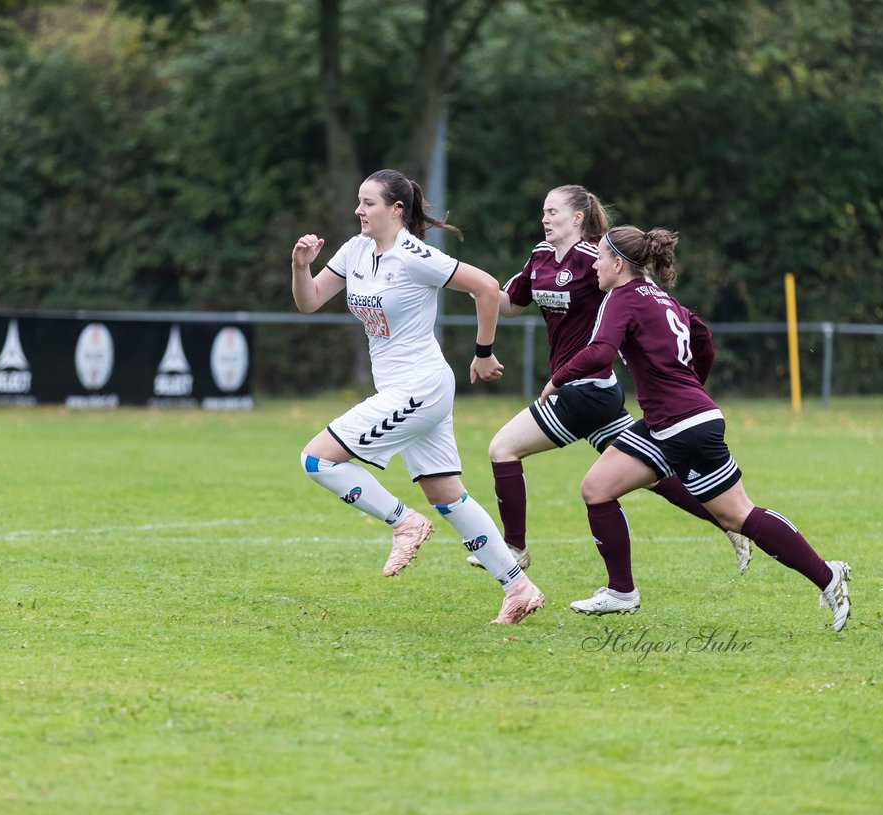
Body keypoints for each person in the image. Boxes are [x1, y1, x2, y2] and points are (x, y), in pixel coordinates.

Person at [548, 224, 851, 630]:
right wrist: (692, 388)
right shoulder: (661, 297)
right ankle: (621, 592)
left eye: (600, 257)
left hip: (680, 423)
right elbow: (703, 337)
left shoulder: (620, 298)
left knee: (739, 515)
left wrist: (557, 379)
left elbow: (601, 352)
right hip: (680, 419)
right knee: (597, 489)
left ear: (619, 264)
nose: (595, 266)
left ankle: (828, 577)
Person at [292, 168, 545, 625]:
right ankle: (519, 588)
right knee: (447, 494)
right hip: (403, 388)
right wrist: (300, 266)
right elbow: (309, 301)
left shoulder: (415, 256)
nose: (358, 210)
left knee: (318, 460)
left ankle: (403, 522)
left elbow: (487, 287)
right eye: (358, 201)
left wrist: (484, 353)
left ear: (396, 210)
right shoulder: (354, 251)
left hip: (420, 387)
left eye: (368, 203)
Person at [467, 185, 751, 575]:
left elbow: (638, 290)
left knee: (503, 448)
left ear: (578, 218)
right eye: (543, 212)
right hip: (596, 392)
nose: (545, 219)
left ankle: (514, 548)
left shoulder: (595, 258)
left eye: (553, 212)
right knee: (650, 473)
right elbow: (510, 305)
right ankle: (730, 522)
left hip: (584, 389)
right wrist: (471, 284)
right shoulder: (540, 257)